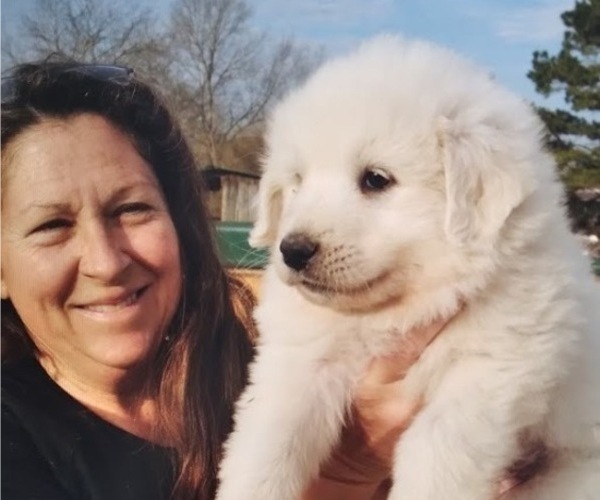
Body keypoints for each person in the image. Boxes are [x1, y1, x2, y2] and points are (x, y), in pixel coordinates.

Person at [0, 60, 500, 500]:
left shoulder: (244, 360)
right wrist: (347, 472)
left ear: (179, 222)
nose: (106, 262)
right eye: (52, 226)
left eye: (131, 209)